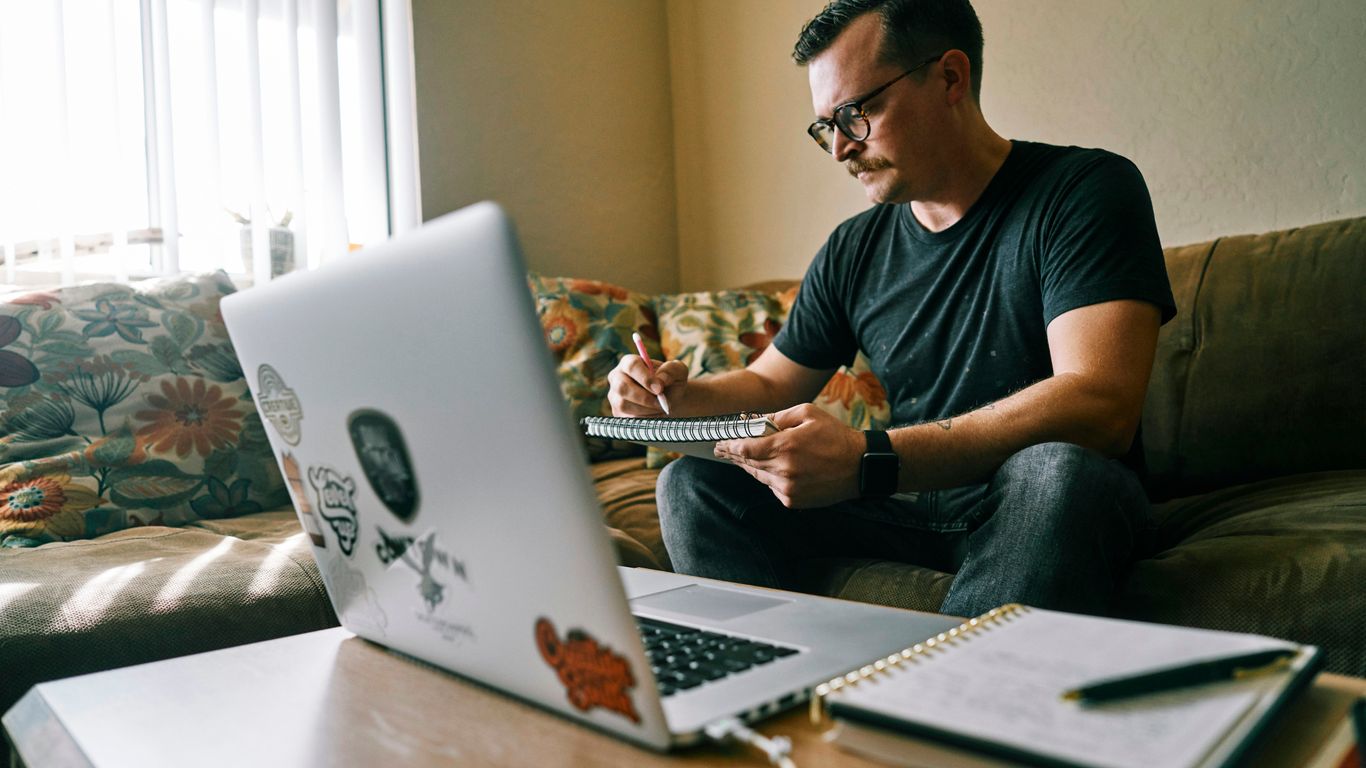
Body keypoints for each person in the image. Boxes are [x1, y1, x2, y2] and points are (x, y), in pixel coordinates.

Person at [607, 0, 1176, 619]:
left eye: (856, 114)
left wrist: (868, 459)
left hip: (1046, 502)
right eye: (825, 126)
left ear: (950, 78)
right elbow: (769, 382)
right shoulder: (854, 248)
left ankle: (952, 699)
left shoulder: (1084, 190)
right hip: (908, 508)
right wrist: (676, 398)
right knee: (694, 486)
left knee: (1056, 473)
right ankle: (775, 689)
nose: (839, 151)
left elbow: (1101, 402)